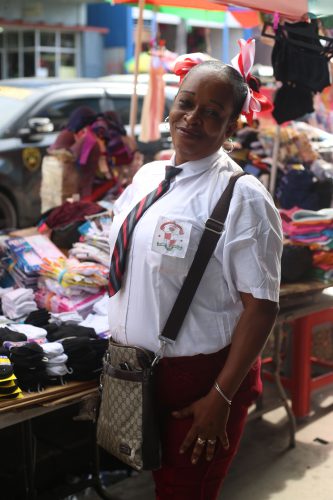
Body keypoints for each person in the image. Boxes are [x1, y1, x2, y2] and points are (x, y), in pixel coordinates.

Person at [107, 38, 282, 500]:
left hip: (202, 381)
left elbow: (261, 308)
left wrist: (221, 398)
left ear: (230, 126)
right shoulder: (149, 176)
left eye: (212, 112)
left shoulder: (242, 197)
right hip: (138, 371)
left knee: (187, 493)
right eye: (187, 103)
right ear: (171, 104)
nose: (193, 118)